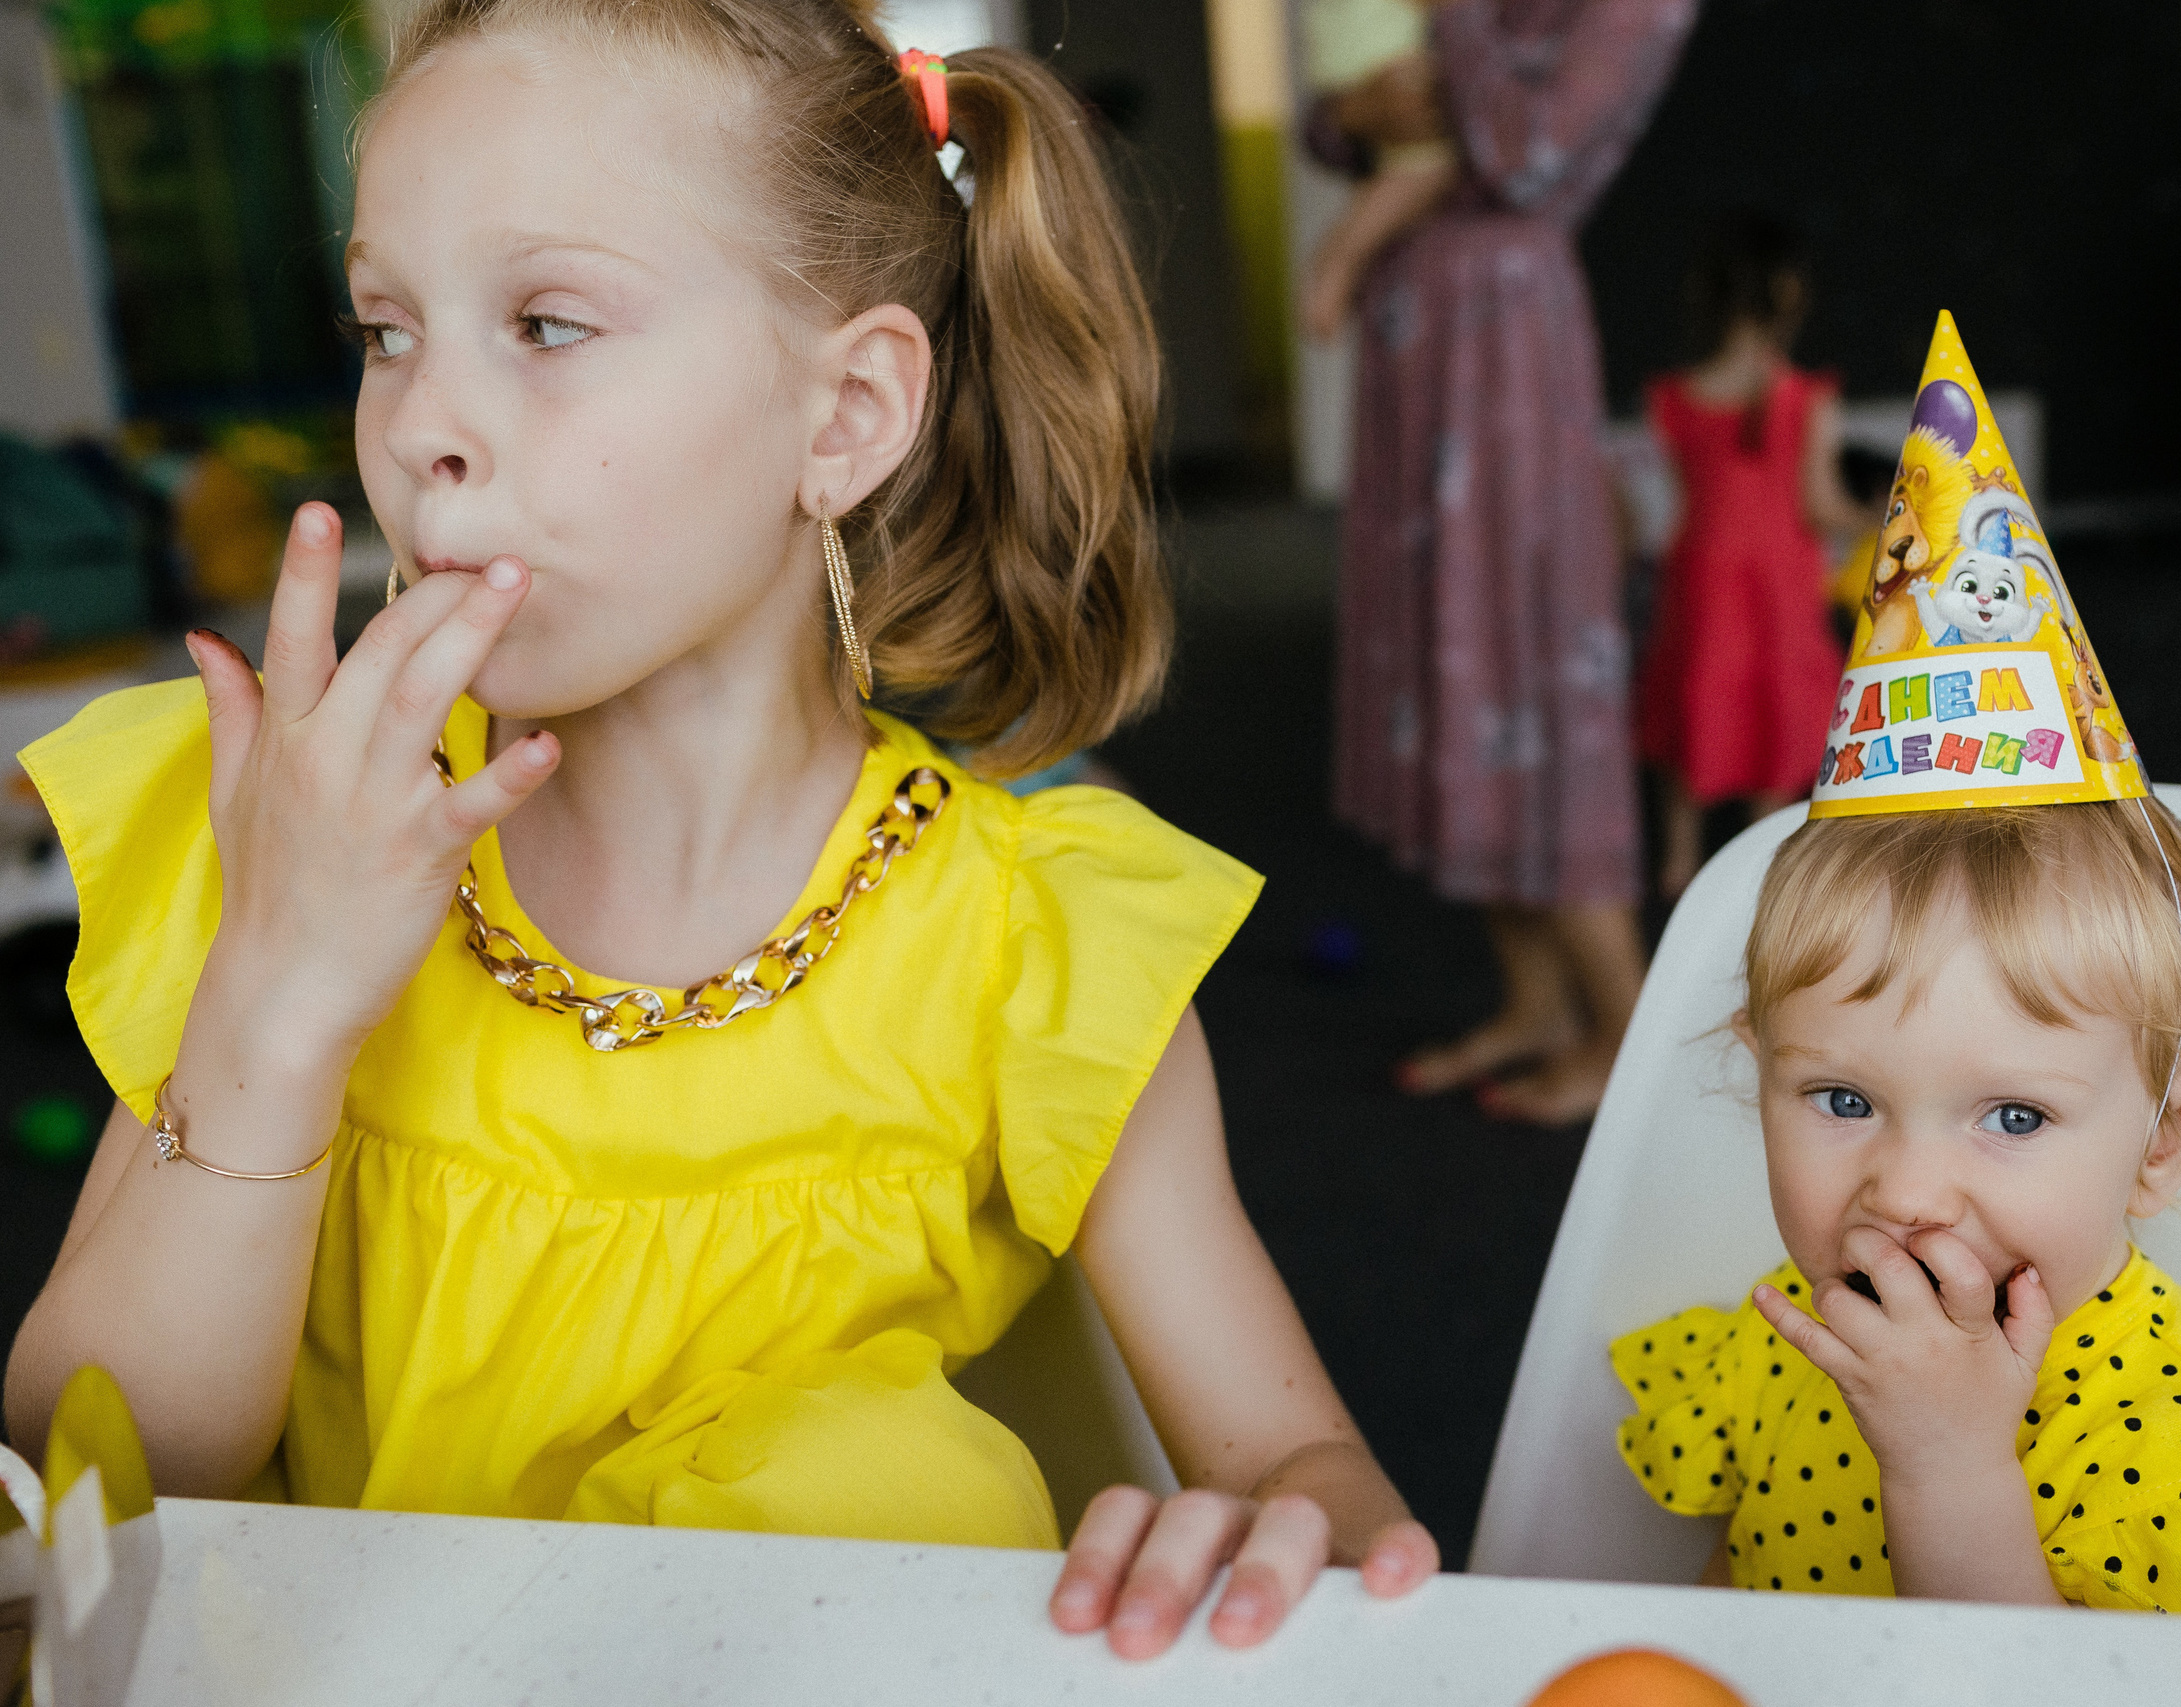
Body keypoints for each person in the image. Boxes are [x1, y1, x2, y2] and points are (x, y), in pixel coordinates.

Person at [1, 1, 1435, 1660]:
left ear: (842, 419)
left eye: (544, 322)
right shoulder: (275, 822)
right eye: (388, 326)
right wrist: (279, 995)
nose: (416, 426)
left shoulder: (1037, 947)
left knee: (883, 1475)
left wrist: (1279, 1532)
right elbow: (91, 1479)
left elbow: (1308, 1472)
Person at [1605, 319, 2181, 1620]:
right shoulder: (1791, 1332)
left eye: (2013, 1114)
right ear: (1760, 1067)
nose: (1902, 1190)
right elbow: (1742, 1594)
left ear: (2167, 1134)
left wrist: (1950, 1459)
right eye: (1840, 1096)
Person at [1313, 0, 1698, 1127]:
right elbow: (1337, 132)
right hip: (1414, 342)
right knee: (1450, 678)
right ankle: (1536, 1000)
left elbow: (1527, 156)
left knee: (1529, 680)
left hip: (1506, 356)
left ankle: (1626, 1029)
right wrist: (1352, 110)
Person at [1636, 213, 1872, 898]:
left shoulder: (1675, 399)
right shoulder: (1805, 397)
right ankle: (1759, 858)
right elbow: (1818, 506)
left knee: (1697, 698)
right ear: (1790, 295)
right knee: (1779, 708)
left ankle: (1678, 862)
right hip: (1778, 585)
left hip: (1701, 578)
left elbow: (1690, 498)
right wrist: (1885, 515)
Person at [1293, 0, 1457, 342]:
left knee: (1398, 169)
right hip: (1386, 58)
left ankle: (1339, 259)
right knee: (1426, 165)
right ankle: (1340, 260)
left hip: (1351, 55)